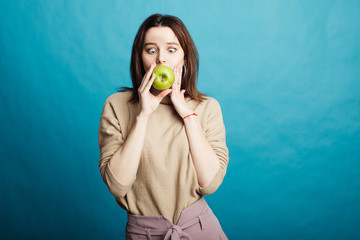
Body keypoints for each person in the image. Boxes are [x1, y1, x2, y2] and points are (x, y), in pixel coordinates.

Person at [98, 13, 229, 240]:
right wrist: (143, 116)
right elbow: (117, 186)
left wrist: (188, 115)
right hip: (143, 234)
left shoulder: (207, 107)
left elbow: (210, 184)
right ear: (140, 58)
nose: (161, 60)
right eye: (151, 50)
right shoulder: (116, 106)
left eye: (171, 49)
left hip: (200, 230)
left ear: (185, 58)